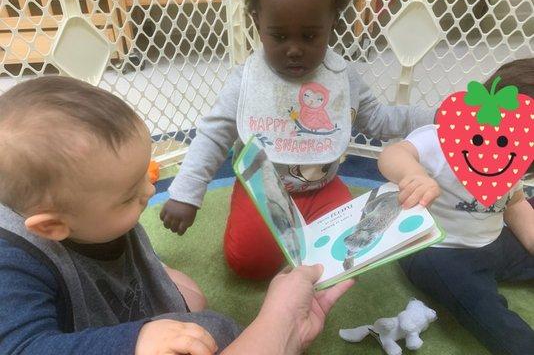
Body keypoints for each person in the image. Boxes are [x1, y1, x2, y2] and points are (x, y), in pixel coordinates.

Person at [0, 76, 353, 355]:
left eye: (145, 175)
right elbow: (22, 347)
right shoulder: (12, 266)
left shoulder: (83, 206)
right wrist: (132, 342)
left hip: (117, 299)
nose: (150, 191)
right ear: (53, 226)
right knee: (203, 335)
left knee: (192, 297)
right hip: (78, 331)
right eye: (128, 196)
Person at [160, 0, 436, 280]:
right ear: (257, 21)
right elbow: (214, 133)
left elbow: (377, 120)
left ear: (332, 21)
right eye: (278, 36)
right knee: (248, 265)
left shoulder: (341, 77)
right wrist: (186, 191)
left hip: (323, 186)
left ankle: (309, 237)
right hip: (262, 189)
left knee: (353, 253)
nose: (294, 49)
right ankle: (264, 223)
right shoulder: (248, 80)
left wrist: (435, 115)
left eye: (309, 36)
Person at [377, 58, 534, 355]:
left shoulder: (517, 156)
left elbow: (515, 204)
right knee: (481, 307)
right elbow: (393, 154)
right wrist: (413, 174)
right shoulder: (439, 140)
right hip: (439, 251)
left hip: (494, 241)